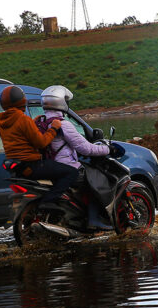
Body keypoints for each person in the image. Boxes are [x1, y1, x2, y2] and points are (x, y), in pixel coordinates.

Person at [40, 85, 117, 229]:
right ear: (61, 103)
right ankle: (94, 220)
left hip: (49, 166)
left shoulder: (42, 121)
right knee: (96, 180)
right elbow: (86, 148)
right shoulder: (64, 124)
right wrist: (107, 149)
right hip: (66, 166)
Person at [0, 85, 78, 203]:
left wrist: (33, 123)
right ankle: (48, 202)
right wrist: (54, 128)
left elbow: (19, 136)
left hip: (18, 167)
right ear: (21, 101)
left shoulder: (3, 122)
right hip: (32, 165)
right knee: (72, 172)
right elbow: (41, 143)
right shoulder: (23, 119)